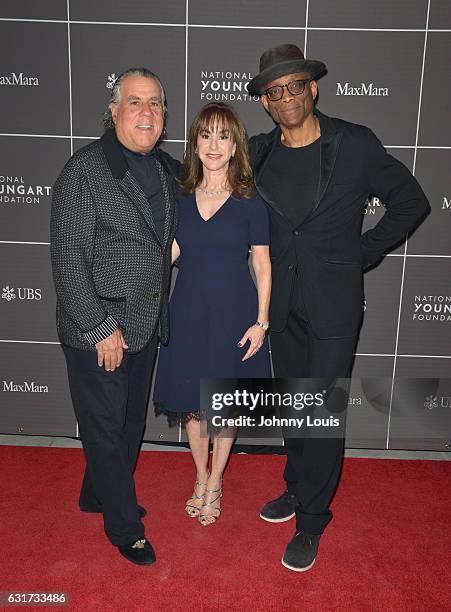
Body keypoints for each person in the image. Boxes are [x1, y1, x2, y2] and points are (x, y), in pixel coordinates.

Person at [247, 44, 430, 572]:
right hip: (281, 305)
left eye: (294, 87)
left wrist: (361, 255)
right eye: (274, 91)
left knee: (321, 413)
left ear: (313, 88)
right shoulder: (256, 152)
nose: (286, 98)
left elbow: (411, 201)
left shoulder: (353, 143)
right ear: (264, 101)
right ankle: (297, 487)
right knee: (293, 405)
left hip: (334, 305)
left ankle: (311, 521)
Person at [50, 68, 182, 565]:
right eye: (134, 102)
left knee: (128, 427)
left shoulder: (167, 170)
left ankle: (96, 494)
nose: (146, 112)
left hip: (146, 324)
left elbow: (164, 235)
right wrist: (100, 328)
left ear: (164, 116)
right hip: (99, 330)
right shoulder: (83, 172)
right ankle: (124, 527)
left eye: (155, 104)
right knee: (106, 430)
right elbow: (68, 262)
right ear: (113, 110)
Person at [154, 102, 271, 525]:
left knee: (223, 404)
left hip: (233, 315)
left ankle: (217, 481)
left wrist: (261, 322)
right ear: (195, 144)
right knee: (192, 404)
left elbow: (261, 263)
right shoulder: (180, 199)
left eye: (224, 136)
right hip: (187, 312)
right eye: (206, 135)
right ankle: (200, 476)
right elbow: (170, 254)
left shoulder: (249, 202)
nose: (214, 144)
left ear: (236, 144)